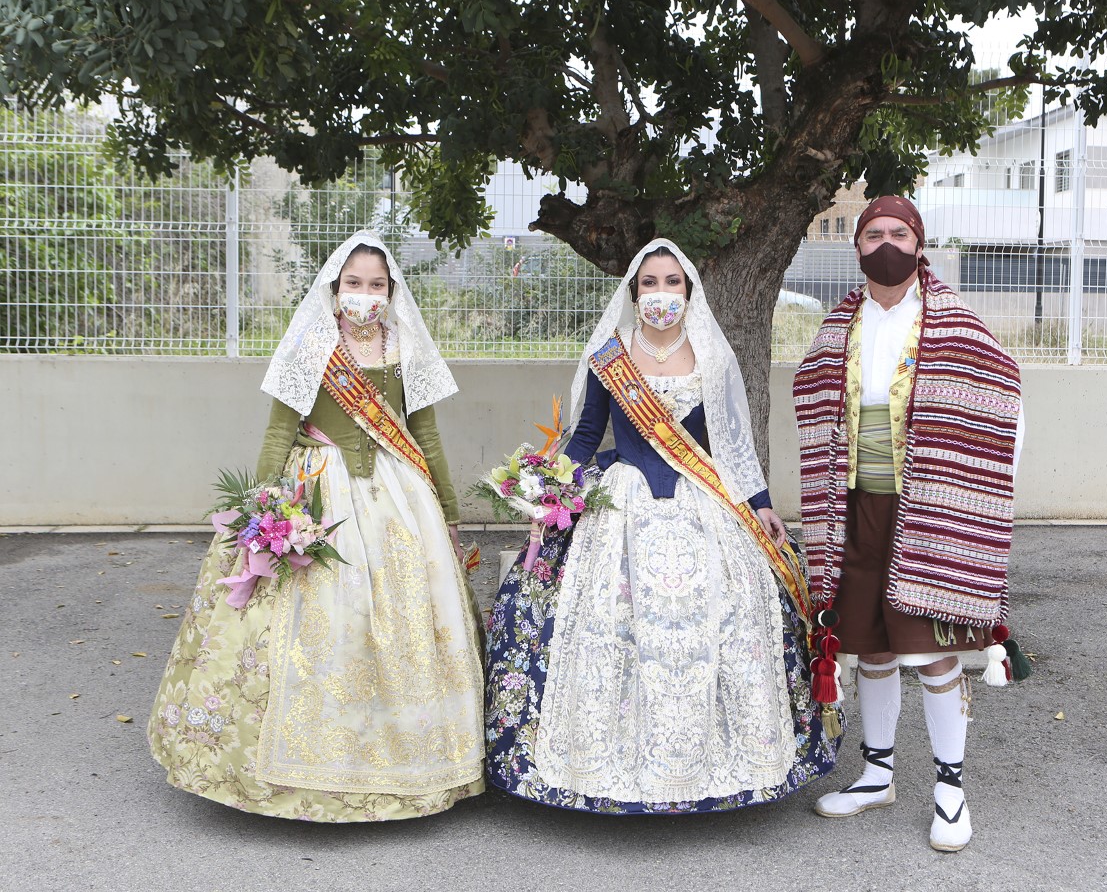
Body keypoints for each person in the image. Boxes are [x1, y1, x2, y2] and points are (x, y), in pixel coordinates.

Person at [485, 238, 838, 813]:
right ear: (633, 291)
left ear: (689, 291)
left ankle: (734, 757)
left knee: (733, 605)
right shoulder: (611, 354)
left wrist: (761, 501)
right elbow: (583, 436)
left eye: (672, 282)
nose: (661, 293)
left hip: (702, 502)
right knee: (602, 616)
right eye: (650, 282)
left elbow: (731, 442)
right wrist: (552, 493)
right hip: (622, 503)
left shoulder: (713, 356)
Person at [148, 231, 485, 821]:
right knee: (315, 621)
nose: (365, 294)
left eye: (376, 284)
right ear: (334, 292)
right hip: (318, 493)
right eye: (353, 284)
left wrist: (449, 512)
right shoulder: (311, 345)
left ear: (391, 291)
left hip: (398, 494)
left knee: (402, 622)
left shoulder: (404, 345)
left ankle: (405, 760)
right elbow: (279, 432)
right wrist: (261, 509)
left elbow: (425, 434)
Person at [794, 196, 1024, 851]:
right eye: (873, 234)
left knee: (929, 648)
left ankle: (950, 789)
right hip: (854, 506)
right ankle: (877, 774)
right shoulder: (840, 324)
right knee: (871, 645)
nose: (885, 243)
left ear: (919, 245)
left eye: (899, 233)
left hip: (931, 505)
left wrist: (980, 486)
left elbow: (1001, 394)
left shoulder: (953, 323)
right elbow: (812, 394)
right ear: (857, 247)